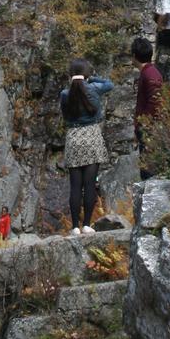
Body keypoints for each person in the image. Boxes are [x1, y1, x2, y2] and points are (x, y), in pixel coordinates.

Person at [59, 59, 113, 235]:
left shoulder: (65, 94)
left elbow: (65, 116)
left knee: (75, 185)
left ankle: (75, 226)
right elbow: (109, 84)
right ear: (87, 74)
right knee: (90, 184)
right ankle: (87, 224)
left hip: (74, 137)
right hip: (92, 136)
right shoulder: (94, 88)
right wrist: (92, 78)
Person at [132, 36, 163, 180]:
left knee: (148, 167)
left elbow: (155, 101)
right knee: (145, 165)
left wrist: (144, 124)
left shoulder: (150, 73)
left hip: (148, 128)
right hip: (146, 127)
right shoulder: (149, 72)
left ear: (134, 56)